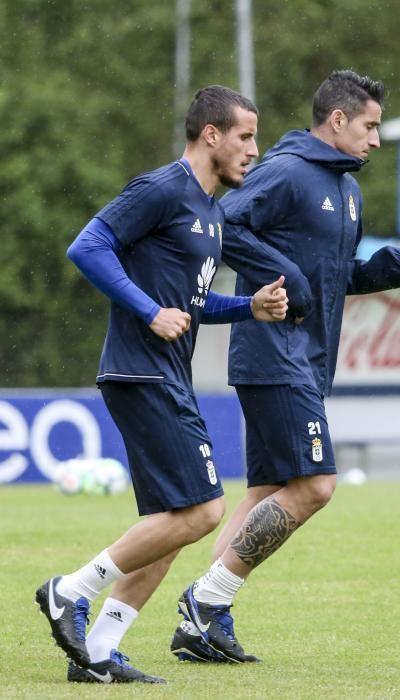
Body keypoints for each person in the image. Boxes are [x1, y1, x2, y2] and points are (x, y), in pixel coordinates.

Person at [34, 84, 289, 684]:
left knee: (171, 524)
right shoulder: (161, 189)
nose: (254, 149)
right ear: (211, 135)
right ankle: (68, 591)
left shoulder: (209, 214)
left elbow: (191, 304)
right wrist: (148, 311)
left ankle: (97, 652)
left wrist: (247, 306)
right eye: (246, 136)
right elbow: (87, 246)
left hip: (165, 372)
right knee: (204, 510)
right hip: (139, 369)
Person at [169, 69, 400, 662]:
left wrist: (374, 274)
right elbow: (223, 224)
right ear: (337, 120)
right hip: (273, 353)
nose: (376, 140)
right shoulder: (286, 170)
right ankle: (204, 604)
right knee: (314, 486)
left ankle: (204, 617)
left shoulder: (347, 189)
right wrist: (287, 275)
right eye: (369, 126)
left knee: (267, 491)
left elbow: (320, 280)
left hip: (305, 361)